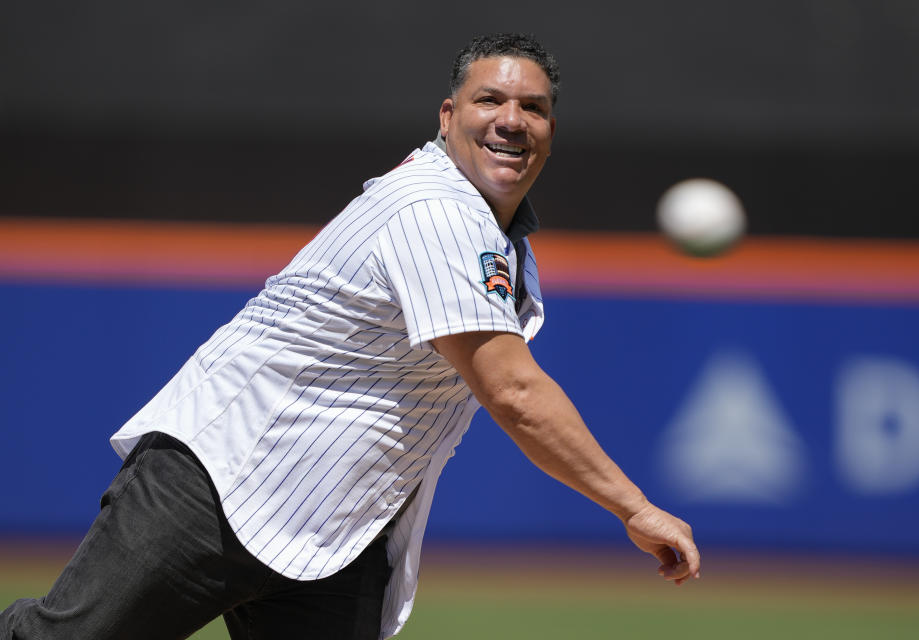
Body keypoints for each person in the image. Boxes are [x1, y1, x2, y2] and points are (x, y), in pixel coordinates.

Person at [0, 32, 699, 640]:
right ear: (448, 116)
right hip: (218, 484)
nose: (511, 120)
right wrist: (634, 507)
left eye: (533, 107)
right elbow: (512, 390)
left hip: (336, 526)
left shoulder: (498, 235)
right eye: (490, 100)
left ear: (551, 128)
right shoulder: (435, 210)